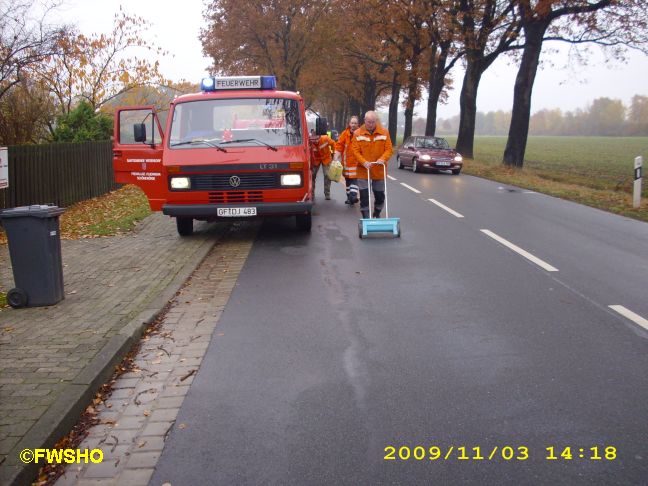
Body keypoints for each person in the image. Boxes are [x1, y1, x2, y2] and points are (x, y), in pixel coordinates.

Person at [351, 111, 393, 219]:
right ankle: (365, 217)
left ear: (376, 121)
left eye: (373, 122)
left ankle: (377, 211)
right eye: (369, 122)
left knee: (379, 195)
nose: (371, 124)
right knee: (364, 195)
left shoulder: (384, 133)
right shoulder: (358, 133)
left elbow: (389, 149)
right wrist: (363, 161)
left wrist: (382, 159)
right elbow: (355, 151)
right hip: (363, 169)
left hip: (378, 169)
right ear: (364, 120)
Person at [333, 116, 360, 206]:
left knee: (354, 181)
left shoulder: (361, 134)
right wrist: (336, 157)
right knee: (348, 182)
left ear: (358, 124)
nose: (353, 125)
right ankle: (349, 198)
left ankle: (353, 196)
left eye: (355, 123)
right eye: (352, 123)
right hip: (345, 164)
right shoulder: (344, 134)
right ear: (349, 124)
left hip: (356, 164)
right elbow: (339, 146)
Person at [310, 132, 335, 200]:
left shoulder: (325, 139)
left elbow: (334, 144)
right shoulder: (310, 142)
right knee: (312, 176)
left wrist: (333, 153)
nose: (315, 141)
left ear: (319, 137)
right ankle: (311, 194)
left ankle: (327, 193)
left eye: (317, 139)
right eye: (314, 140)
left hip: (326, 158)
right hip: (316, 160)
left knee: (327, 175)